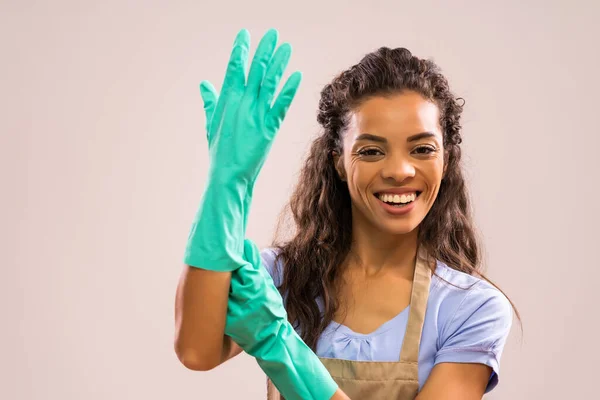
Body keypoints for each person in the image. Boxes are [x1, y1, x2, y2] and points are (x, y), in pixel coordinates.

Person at [175, 28, 515, 400]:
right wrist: (227, 183)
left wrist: (281, 347)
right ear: (338, 161)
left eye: (422, 149)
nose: (399, 171)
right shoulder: (280, 278)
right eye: (371, 151)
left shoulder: (469, 309)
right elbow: (196, 350)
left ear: (445, 160)